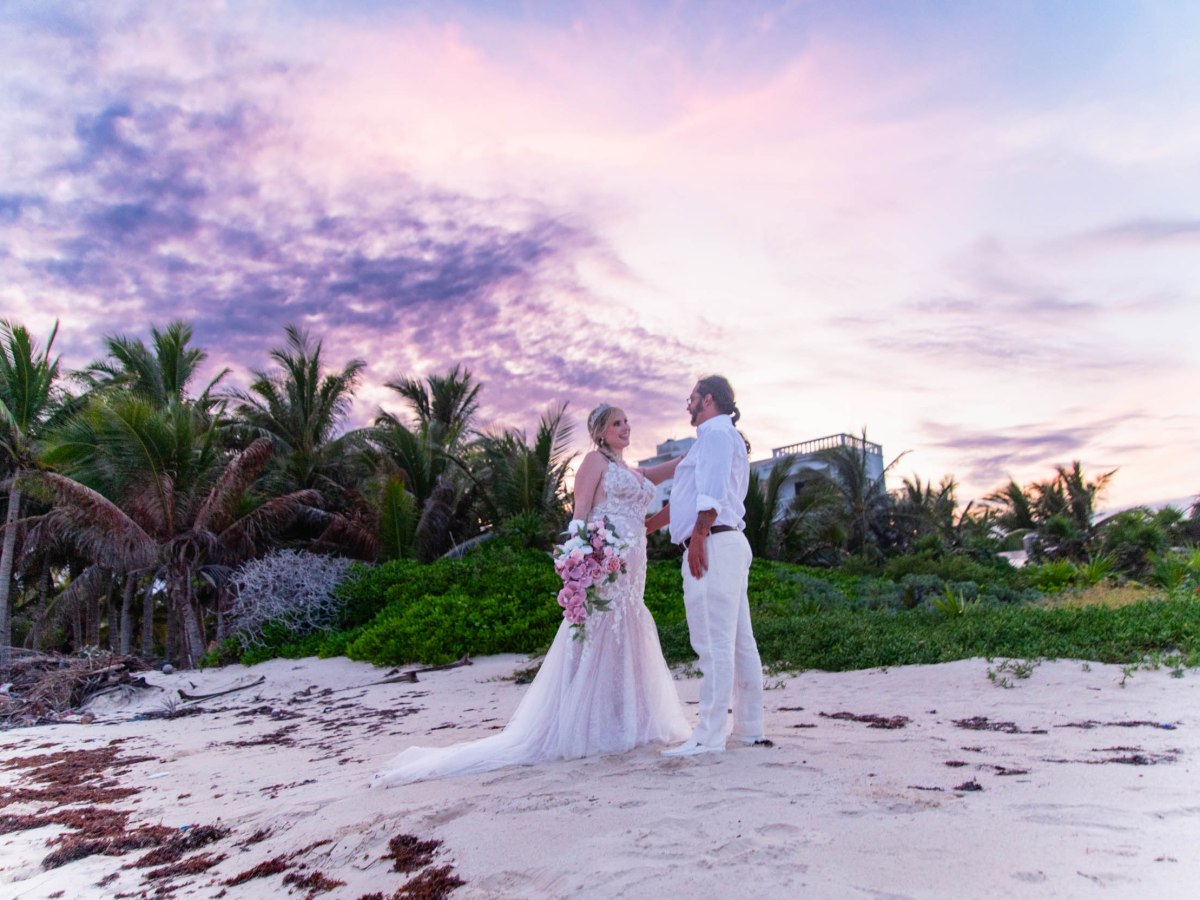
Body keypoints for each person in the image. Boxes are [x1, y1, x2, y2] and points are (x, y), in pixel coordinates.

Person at [372, 403, 688, 787]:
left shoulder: (629, 470)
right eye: (616, 423)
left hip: (634, 570)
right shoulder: (593, 462)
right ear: (600, 432)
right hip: (604, 568)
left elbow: (659, 482)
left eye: (627, 421)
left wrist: (695, 454)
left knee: (627, 629)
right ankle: (586, 724)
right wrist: (580, 562)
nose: (625, 427)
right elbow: (581, 513)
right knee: (602, 629)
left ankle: (625, 721)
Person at [660, 375, 765, 757]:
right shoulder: (717, 437)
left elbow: (713, 491)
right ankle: (750, 728)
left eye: (691, 398)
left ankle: (708, 735)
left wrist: (699, 537)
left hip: (715, 541)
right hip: (725, 540)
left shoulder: (717, 435)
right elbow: (688, 495)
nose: (687, 405)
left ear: (707, 400)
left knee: (713, 643)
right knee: (738, 642)